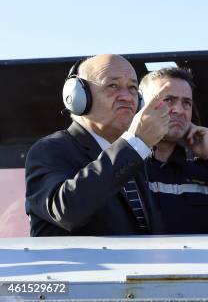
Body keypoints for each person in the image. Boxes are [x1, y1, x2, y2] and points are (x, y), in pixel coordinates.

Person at [25, 54, 171, 236]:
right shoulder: (49, 149)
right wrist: (135, 143)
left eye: (132, 87)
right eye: (112, 86)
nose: (127, 97)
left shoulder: (135, 152)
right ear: (78, 96)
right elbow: (66, 210)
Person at [138, 67, 208, 234]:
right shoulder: (123, 167)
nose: (179, 110)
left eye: (186, 103)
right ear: (141, 104)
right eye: (168, 100)